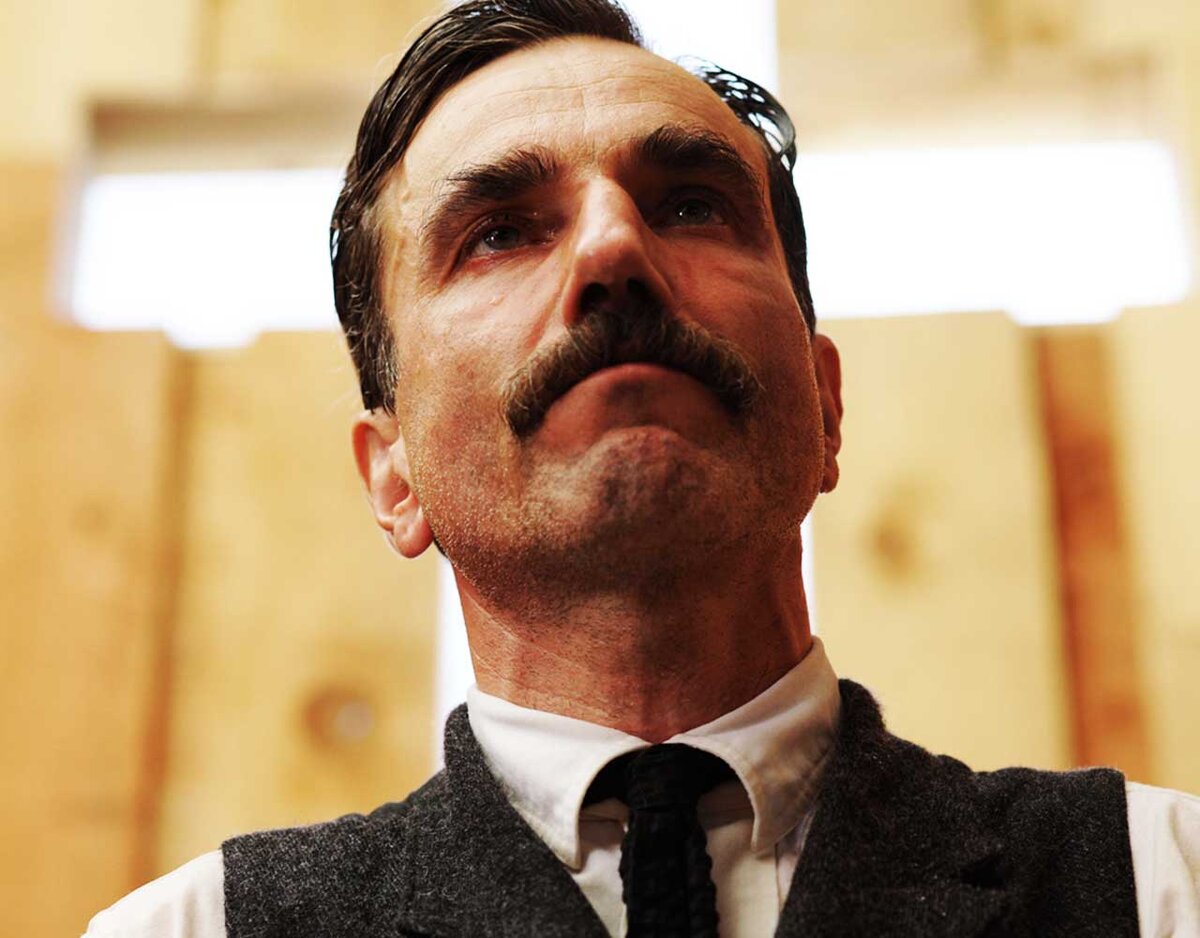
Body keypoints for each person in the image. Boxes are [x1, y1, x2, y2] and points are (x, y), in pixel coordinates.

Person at [85, 0, 1200, 935]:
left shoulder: (1164, 886)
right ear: (395, 475)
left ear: (825, 404)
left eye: (692, 206)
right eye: (499, 231)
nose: (615, 247)